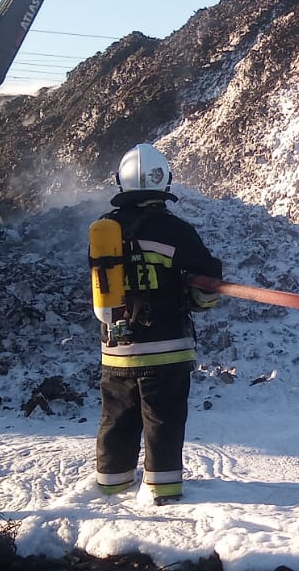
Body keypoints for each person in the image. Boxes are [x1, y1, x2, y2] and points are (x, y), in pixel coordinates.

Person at [90, 143, 223, 504]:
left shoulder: (105, 231)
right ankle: (162, 493)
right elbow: (207, 285)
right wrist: (195, 295)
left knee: (116, 420)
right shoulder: (175, 231)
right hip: (166, 349)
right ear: (164, 180)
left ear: (121, 182)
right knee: (163, 420)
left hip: (115, 350)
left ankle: (111, 486)